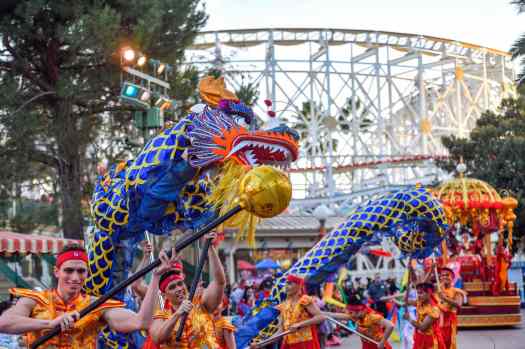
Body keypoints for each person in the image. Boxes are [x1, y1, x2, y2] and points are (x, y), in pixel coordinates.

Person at [0, 243, 173, 349]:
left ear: (87, 273)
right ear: (56, 271)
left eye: (81, 271)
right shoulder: (35, 299)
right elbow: (4, 323)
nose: (75, 277)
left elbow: (140, 322)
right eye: (69, 270)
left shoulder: (96, 305)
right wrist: (49, 323)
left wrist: (156, 277)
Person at [148, 232, 227, 349]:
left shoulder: (200, 302)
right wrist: (178, 313)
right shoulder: (162, 316)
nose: (178, 288)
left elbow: (219, 282)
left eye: (180, 284)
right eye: (172, 287)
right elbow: (158, 338)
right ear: (164, 295)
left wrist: (209, 248)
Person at [252, 274, 324, 349]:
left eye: (289, 283)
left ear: (298, 286)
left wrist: (300, 324)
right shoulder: (284, 305)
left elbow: (321, 317)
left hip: (305, 344)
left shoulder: (304, 300)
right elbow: (280, 331)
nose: (286, 286)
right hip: (289, 344)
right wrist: (261, 344)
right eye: (286, 283)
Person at [325, 292, 394, 349]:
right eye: (350, 312)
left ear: (361, 310)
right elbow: (334, 315)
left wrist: (382, 342)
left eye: (353, 312)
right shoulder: (356, 317)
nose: (351, 314)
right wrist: (322, 313)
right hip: (366, 346)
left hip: (379, 346)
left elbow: (390, 326)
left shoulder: (373, 317)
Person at [403, 282, 445, 349]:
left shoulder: (434, 309)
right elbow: (405, 300)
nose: (419, 295)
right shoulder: (419, 302)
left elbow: (423, 327)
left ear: (429, 293)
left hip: (430, 340)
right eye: (418, 293)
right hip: (419, 337)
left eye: (421, 293)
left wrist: (409, 319)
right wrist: (408, 289)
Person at [437, 268, 463, 349]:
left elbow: (459, 304)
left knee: (449, 343)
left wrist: (445, 298)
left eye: (447, 275)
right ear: (440, 278)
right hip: (437, 320)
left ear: (452, 277)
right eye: (443, 275)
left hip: (449, 321)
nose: (445, 277)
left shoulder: (456, 291)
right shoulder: (437, 289)